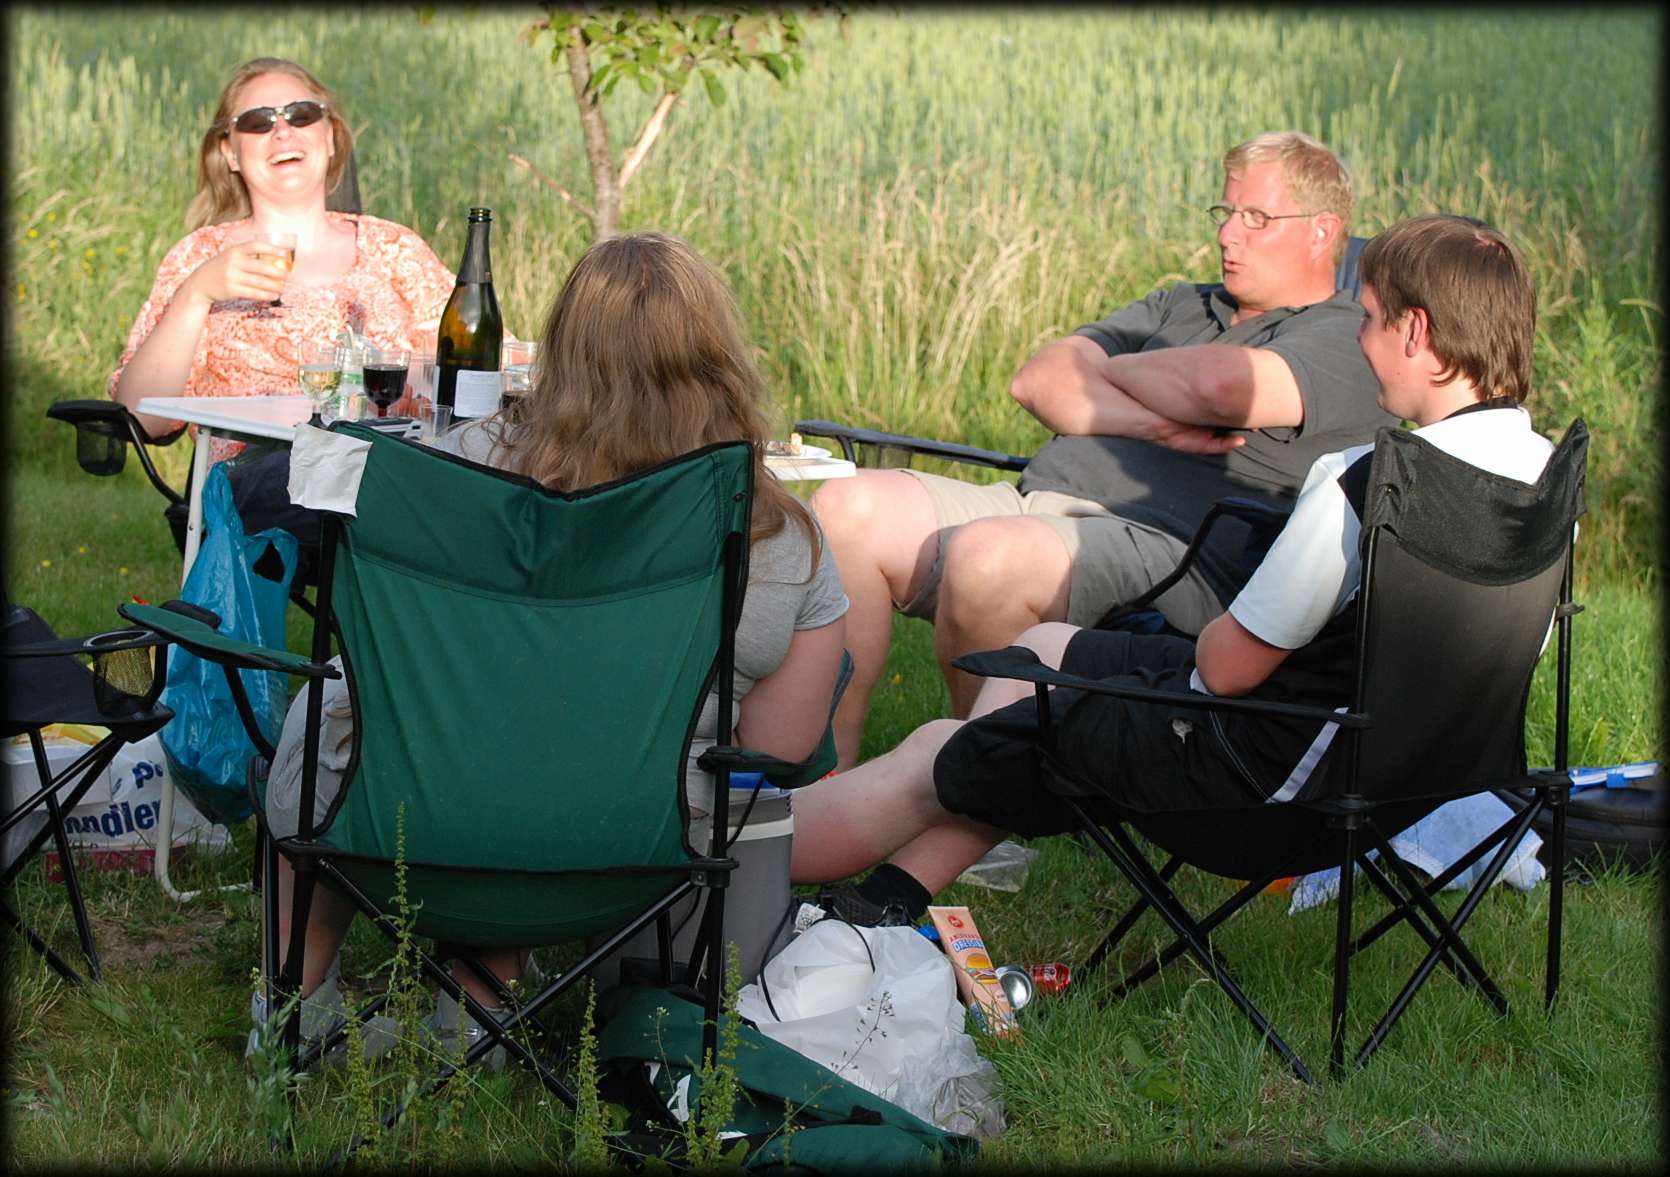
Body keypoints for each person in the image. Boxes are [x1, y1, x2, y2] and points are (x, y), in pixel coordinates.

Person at [788, 214, 1555, 927]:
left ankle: (737, 864)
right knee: (1044, 653)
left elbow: (1223, 670)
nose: (1360, 340)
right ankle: (893, 896)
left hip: (1255, 792)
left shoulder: (1365, 482)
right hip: (1392, 783)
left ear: (1416, 331)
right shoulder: (1545, 481)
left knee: (945, 749)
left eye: (1371, 318)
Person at [254, 231, 848, 1063]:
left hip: (406, 822)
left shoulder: (450, 477)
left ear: (560, 351)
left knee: (337, 711)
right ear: (722, 359)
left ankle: (294, 1007)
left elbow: (333, 486)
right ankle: (474, 1016)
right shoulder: (782, 538)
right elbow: (776, 757)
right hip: (633, 847)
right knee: (561, 751)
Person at [812, 131, 1397, 767]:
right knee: (849, 508)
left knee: (990, 557)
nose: (1229, 235)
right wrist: (1160, 424)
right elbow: (1038, 380)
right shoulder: (1182, 303)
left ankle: (974, 795)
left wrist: (1111, 372)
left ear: (1322, 231)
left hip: (1171, 553)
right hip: (1038, 503)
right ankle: (826, 778)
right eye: (1225, 213)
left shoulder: (1345, 335)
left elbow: (1220, 386)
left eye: (1256, 218)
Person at [108, 57, 456, 464]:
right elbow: (138, 416)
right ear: (230, 152)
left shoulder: (396, 248)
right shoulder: (200, 257)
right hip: (262, 491)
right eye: (258, 122)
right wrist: (196, 294)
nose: (283, 131)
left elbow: (481, 367)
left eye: (302, 114)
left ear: (330, 138)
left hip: (387, 472)